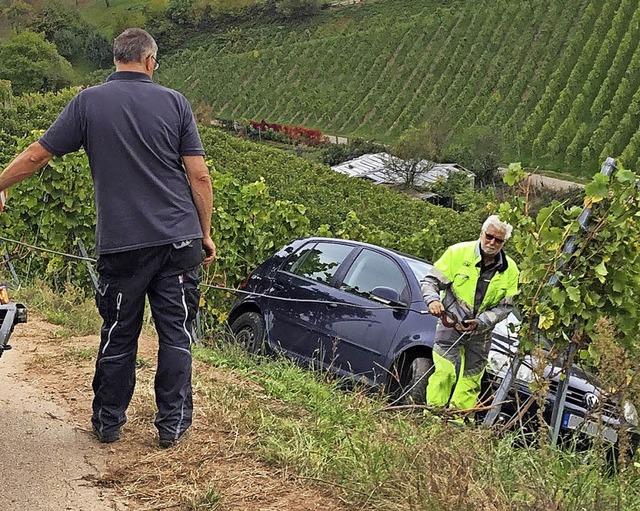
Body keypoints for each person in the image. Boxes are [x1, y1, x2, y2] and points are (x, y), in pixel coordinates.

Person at [0, 28, 215, 448]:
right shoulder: (175, 103)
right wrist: (203, 234)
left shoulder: (88, 102)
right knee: (177, 334)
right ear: (151, 61)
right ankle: (171, 427)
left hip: (122, 244)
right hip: (177, 241)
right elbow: (199, 175)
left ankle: (108, 423)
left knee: (119, 331)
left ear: (116, 59)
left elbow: (36, 155)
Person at [421, 215, 519, 417]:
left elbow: (505, 308)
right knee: (444, 373)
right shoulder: (458, 253)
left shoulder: (511, 270)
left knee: (471, 381)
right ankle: (432, 418)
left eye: (498, 240)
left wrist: (481, 322)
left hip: (481, 333)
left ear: (504, 242)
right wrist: (433, 301)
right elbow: (430, 281)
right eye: (489, 236)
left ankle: (455, 424)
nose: (492, 242)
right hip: (451, 325)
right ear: (481, 234)